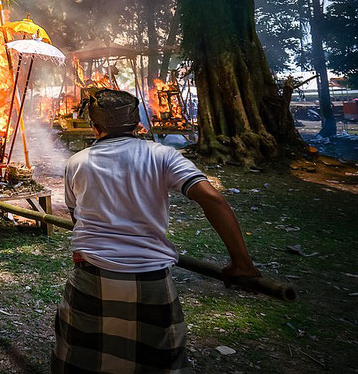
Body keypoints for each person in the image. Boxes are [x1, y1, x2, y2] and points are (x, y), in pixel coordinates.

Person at [52, 88, 260, 374]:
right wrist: (243, 264)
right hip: (152, 279)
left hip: (92, 275)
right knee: (158, 364)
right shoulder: (163, 156)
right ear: (138, 123)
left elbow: (77, 219)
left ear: (95, 126)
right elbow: (212, 199)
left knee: (81, 363)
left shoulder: (77, 163)